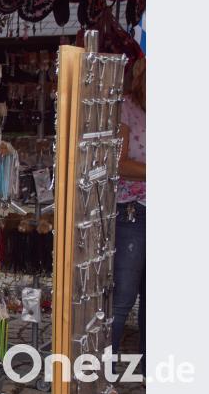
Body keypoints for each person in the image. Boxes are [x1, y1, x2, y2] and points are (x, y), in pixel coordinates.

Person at [112, 57, 146, 375]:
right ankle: (102, 368)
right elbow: (119, 163)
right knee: (123, 295)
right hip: (133, 211)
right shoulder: (128, 108)